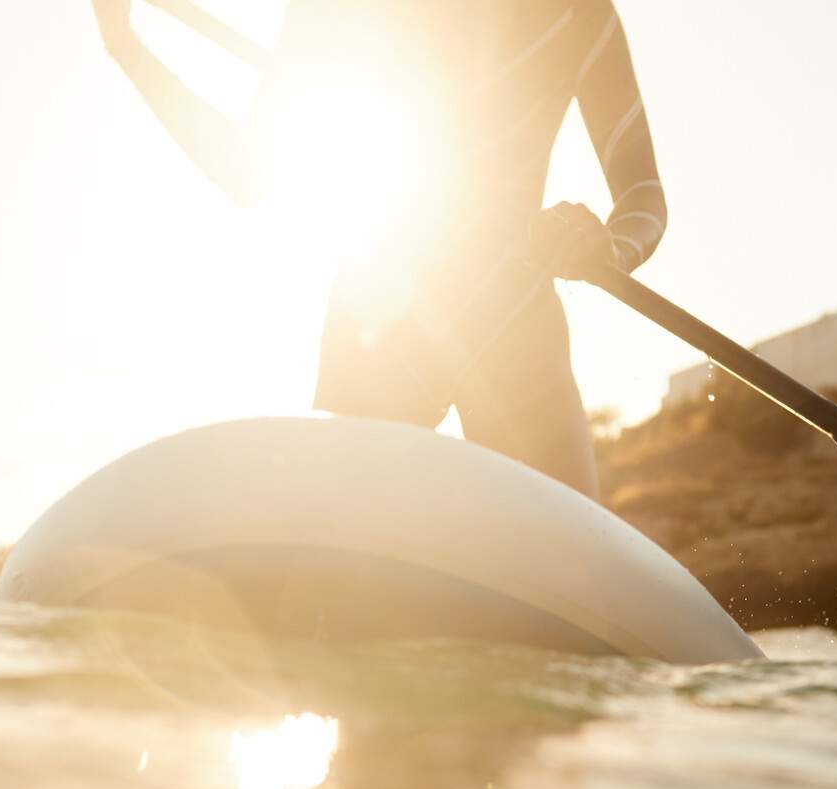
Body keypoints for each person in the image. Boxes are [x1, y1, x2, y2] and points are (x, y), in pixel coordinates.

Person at [91, 0, 668, 498]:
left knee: (569, 562)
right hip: (380, 321)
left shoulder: (576, 11)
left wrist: (609, 248)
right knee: (337, 585)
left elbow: (642, 191)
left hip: (513, 322)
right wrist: (129, 50)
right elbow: (249, 173)